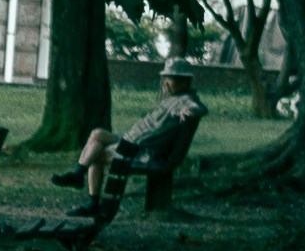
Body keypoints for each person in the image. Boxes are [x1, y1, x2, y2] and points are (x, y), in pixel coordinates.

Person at [63, 69, 208, 198]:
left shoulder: (185, 100)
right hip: (133, 142)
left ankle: (92, 201)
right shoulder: (173, 98)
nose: (165, 83)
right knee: (97, 133)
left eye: (170, 79)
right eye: (164, 78)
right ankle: (78, 173)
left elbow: (197, 107)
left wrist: (190, 112)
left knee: (96, 155)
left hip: (145, 153)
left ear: (183, 81)